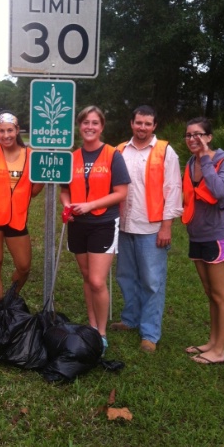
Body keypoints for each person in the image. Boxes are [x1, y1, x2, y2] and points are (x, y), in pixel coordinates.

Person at [112, 105, 183, 352]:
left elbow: (173, 189)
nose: (142, 127)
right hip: (124, 225)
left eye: (147, 123)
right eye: (138, 122)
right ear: (131, 123)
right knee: (126, 277)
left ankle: (150, 333)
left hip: (152, 228)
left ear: (154, 126)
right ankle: (130, 319)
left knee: (152, 282)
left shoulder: (165, 151)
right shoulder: (119, 150)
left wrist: (167, 226)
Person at [60, 106, 131, 354]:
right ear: (79, 126)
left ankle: (100, 334)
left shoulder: (113, 155)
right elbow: (65, 189)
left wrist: (90, 205)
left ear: (102, 126)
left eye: (95, 123)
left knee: (97, 280)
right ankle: (91, 325)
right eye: (85, 123)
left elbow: (121, 192)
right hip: (78, 225)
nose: (89, 127)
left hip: (103, 223)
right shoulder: (73, 156)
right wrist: (67, 207)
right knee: (86, 276)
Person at [182, 117, 224, 365]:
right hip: (198, 235)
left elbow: (220, 191)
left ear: (209, 137)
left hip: (219, 235)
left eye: (198, 134)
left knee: (222, 295)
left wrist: (206, 159)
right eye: (189, 135)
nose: (193, 139)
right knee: (209, 292)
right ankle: (212, 342)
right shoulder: (190, 162)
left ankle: (220, 351)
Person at [0, 110, 43, 298]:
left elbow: (34, 191)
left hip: (17, 219)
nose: (6, 135)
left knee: (24, 266)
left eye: (10, 130)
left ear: (17, 130)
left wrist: (42, 177)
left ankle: (10, 297)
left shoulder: (31, 155)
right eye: (1, 131)